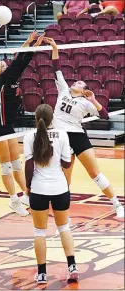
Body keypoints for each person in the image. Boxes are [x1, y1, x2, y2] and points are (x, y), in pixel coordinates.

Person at [43, 37, 124, 219]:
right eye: (76, 82)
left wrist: (93, 100)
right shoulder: (63, 90)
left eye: (80, 83)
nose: (76, 82)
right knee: (65, 178)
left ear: (84, 89)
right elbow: (56, 67)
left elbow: (104, 115)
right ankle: (62, 214)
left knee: (94, 173)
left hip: (77, 136)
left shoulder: (85, 102)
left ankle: (117, 204)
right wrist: (55, 47)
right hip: (60, 137)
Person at [0, 31, 45, 217]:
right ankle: (14, 200)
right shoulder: (2, 81)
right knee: (6, 166)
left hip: (9, 127)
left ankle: (27, 196)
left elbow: (18, 61)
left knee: (17, 164)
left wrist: (30, 42)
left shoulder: (10, 78)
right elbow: (21, 62)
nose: (7, 67)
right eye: (3, 67)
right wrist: (33, 46)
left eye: (6, 66)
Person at [23, 104, 79, 284]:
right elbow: (66, 164)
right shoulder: (62, 134)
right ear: (52, 118)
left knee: (39, 231)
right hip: (60, 189)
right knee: (64, 228)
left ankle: (41, 274)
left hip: (39, 189)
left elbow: (29, 166)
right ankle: (72, 267)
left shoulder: (28, 137)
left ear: (36, 118)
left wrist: (28, 188)